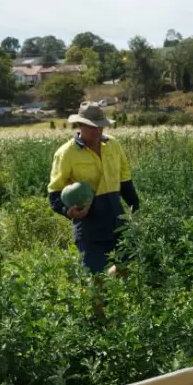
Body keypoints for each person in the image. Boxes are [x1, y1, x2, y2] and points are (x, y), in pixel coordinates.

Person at [47, 101, 140, 279]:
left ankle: (112, 292)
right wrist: (68, 211)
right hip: (89, 224)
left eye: (101, 127)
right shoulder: (66, 153)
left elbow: (125, 179)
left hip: (117, 218)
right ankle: (99, 303)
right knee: (95, 278)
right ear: (80, 125)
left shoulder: (113, 145)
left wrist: (135, 208)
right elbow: (54, 192)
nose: (97, 131)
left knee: (126, 266)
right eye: (92, 127)